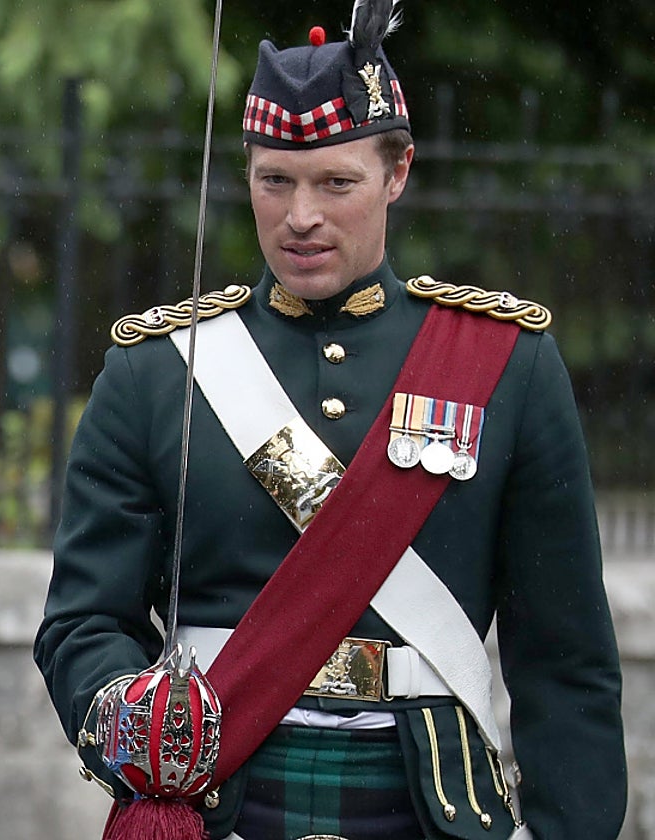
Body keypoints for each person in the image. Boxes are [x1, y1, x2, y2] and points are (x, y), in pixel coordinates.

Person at [33, 1, 627, 838]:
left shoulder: (507, 366)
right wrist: (130, 717)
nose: (300, 216)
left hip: (434, 800)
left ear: (398, 173)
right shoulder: (155, 373)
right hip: (221, 791)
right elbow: (84, 621)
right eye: (274, 181)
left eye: (335, 183)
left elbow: (563, 658)